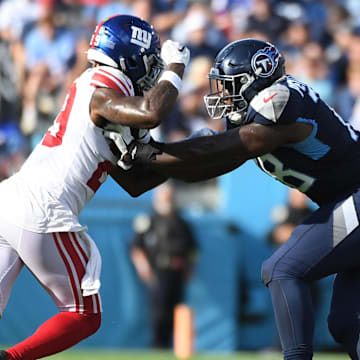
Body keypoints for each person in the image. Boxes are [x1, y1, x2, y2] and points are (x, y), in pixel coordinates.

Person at [126, 38, 360, 359]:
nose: (221, 94)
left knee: (283, 269)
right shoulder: (252, 115)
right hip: (347, 201)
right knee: (348, 322)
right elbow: (207, 165)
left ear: (257, 78)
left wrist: (150, 153)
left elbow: (236, 145)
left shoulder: (282, 98)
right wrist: (134, 165)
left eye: (229, 85)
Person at [0, 14, 190, 360]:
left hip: (10, 199)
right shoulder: (102, 86)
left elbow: (136, 182)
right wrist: (175, 69)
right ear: (128, 57)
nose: (150, 71)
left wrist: (187, 156)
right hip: (43, 209)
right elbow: (150, 111)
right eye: (149, 62)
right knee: (84, 315)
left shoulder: (98, 90)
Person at [130, 182, 197, 348]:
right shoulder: (149, 220)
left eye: (170, 195)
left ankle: (170, 346)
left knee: (176, 311)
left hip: (177, 273)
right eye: (164, 195)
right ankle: (158, 345)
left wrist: (189, 270)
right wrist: (143, 268)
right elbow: (136, 248)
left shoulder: (182, 223)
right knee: (159, 312)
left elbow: (193, 250)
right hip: (158, 271)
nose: (167, 198)